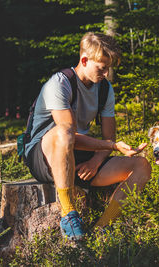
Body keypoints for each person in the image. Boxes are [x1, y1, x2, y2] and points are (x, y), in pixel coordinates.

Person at [24, 32, 152, 241]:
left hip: (79, 155)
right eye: (101, 68)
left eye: (108, 68)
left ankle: (103, 228)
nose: (106, 73)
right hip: (44, 155)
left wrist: (96, 160)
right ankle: (68, 214)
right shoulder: (59, 84)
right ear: (84, 60)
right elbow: (70, 135)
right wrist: (112, 146)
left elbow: (108, 136)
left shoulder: (105, 89)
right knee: (64, 132)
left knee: (142, 166)